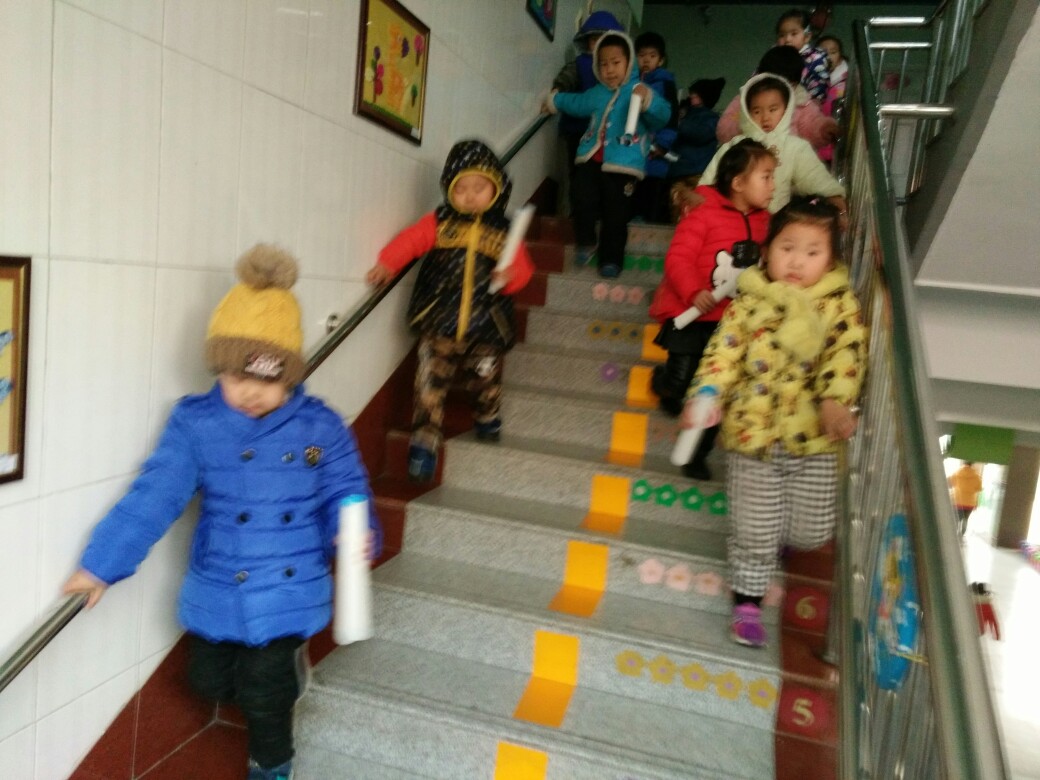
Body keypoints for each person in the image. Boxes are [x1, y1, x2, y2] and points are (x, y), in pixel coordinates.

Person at [62, 245, 382, 780]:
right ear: (218, 369)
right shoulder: (196, 424)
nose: (252, 393)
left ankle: (271, 765)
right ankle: (281, 681)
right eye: (238, 378)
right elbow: (154, 497)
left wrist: (356, 531)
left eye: (269, 379)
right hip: (219, 579)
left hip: (289, 584)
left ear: (290, 377)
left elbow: (345, 490)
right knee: (207, 681)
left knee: (263, 692)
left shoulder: (320, 426)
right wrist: (101, 566)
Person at [683, 198, 867, 647]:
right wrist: (706, 394)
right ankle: (747, 604)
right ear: (766, 252)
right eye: (787, 248)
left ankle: (775, 537)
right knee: (754, 531)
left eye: (812, 251)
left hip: (814, 441)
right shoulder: (749, 303)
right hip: (754, 437)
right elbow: (723, 353)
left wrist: (835, 401)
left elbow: (846, 354)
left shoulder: (838, 305)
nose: (797, 262)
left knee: (811, 531)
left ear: (830, 260)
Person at [366, 139, 534, 483]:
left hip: (486, 327)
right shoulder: (439, 222)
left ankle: (487, 416)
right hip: (439, 322)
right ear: (449, 189)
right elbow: (410, 241)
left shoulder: (504, 231)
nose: (470, 196)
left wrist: (509, 276)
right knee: (429, 384)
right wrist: (387, 263)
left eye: (479, 188)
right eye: (461, 189)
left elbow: (524, 270)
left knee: (485, 379)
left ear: (496, 189)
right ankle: (424, 443)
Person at [649, 139, 776, 480]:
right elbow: (678, 257)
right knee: (681, 383)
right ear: (738, 183)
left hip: (731, 326)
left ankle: (695, 455)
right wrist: (693, 290)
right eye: (766, 177)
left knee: (711, 392)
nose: (773, 186)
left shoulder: (767, 223)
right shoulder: (704, 213)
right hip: (692, 316)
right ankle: (664, 384)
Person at [546, 31, 672, 278]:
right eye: (603, 64)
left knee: (616, 213)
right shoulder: (597, 92)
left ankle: (611, 259)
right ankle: (585, 241)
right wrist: (554, 100)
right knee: (580, 196)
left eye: (615, 63)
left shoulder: (639, 90)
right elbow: (576, 103)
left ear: (629, 63)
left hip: (623, 164)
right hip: (591, 159)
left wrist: (647, 100)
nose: (609, 70)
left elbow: (663, 115)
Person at [702, 74, 846, 215]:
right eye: (757, 111)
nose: (765, 117)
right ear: (747, 112)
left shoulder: (794, 146)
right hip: (730, 222)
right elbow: (709, 183)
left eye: (773, 109)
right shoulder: (735, 145)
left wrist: (835, 197)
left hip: (773, 222)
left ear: (786, 109)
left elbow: (814, 176)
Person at [552, 10, 625, 216]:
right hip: (577, 130)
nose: (599, 44)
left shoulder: (622, 69)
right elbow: (567, 77)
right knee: (575, 175)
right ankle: (571, 214)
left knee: (604, 178)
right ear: (587, 43)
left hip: (606, 135)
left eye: (604, 39)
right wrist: (557, 91)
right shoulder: (581, 63)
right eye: (594, 40)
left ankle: (595, 214)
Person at [716, 46, 838, 154]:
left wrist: (824, 129)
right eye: (773, 82)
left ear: (795, 84)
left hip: (788, 163)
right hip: (750, 162)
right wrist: (745, 125)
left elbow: (812, 124)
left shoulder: (801, 103)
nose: (780, 90)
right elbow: (724, 127)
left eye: (788, 84)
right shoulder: (747, 99)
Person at [633, 31, 679, 223]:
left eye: (652, 56)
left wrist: (662, 144)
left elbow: (672, 117)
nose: (646, 60)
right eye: (642, 55)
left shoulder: (665, 83)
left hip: (655, 152)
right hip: (634, 150)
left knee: (651, 197)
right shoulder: (631, 82)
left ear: (661, 60)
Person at [667, 77, 725, 222]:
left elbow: (700, 134)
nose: (691, 95)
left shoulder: (711, 118)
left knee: (693, 209)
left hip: (696, 173)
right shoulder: (687, 113)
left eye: (696, 93)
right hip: (679, 170)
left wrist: (679, 123)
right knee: (677, 207)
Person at [775, 8, 830, 103]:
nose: (787, 39)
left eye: (794, 34)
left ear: (807, 37)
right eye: (782, 35)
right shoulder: (774, 57)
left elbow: (819, 92)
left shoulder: (816, 59)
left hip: (806, 108)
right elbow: (758, 80)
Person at [817, 35, 849, 164]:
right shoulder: (808, 79)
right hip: (814, 143)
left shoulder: (849, 81)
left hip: (839, 144)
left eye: (833, 52)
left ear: (840, 56)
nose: (828, 57)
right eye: (823, 53)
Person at [948, 461, 983, 536]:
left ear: (963, 464)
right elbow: (979, 489)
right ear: (971, 465)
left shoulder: (956, 473)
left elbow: (949, 483)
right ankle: (962, 533)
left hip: (957, 501)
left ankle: (954, 534)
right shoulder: (976, 476)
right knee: (965, 519)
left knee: (957, 518)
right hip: (970, 503)